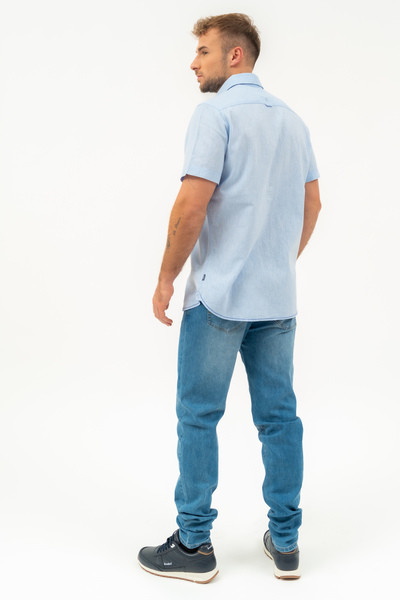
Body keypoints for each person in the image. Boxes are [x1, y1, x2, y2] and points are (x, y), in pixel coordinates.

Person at [138, 13, 321, 583]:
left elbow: (192, 204)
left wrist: (166, 277)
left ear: (234, 55)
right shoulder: (292, 121)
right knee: (279, 419)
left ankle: (194, 546)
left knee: (198, 417)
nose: (193, 63)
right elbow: (313, 204)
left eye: (203, 51)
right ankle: (286, 543)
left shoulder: (214, 114)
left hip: (218, 299)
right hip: (277, 301)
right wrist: (277, 260)